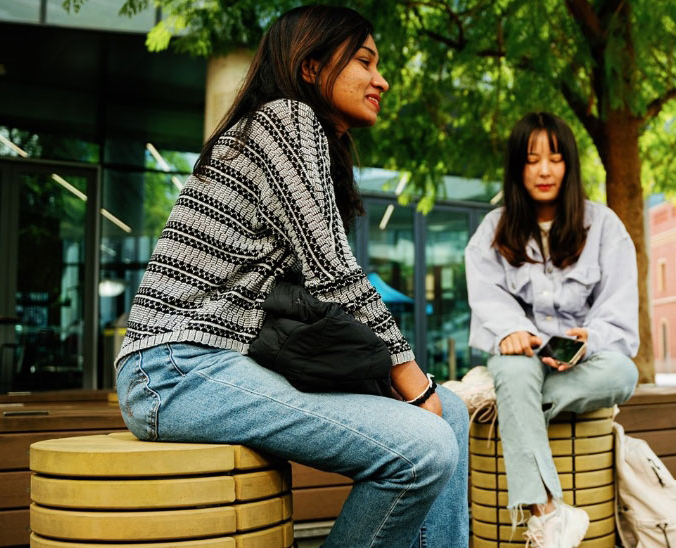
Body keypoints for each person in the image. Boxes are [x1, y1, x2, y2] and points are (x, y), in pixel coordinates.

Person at [112, 7, 468, 547]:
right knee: (428, 443)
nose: (382, 79)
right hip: (173, 368)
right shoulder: (284, 120)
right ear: (311, 67)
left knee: (455, 414)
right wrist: (411, 381)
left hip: (218, 365)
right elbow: (334, 273)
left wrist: (420, 391)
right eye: (365, 62)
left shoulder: (302, 137)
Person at [466, 112, 640, 548]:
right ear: (516, 168)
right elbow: (488, 299)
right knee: (515, 368)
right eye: (531, 159)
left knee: (623, 373)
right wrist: (510, 330)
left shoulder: (605, 227)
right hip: (521, 361)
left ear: (570, 165)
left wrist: (591, 337)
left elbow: (618, 308)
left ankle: (503, 402)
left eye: (556, 158)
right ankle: (548, 514)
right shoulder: (492, 231)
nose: (544, 170)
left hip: (581, 365)